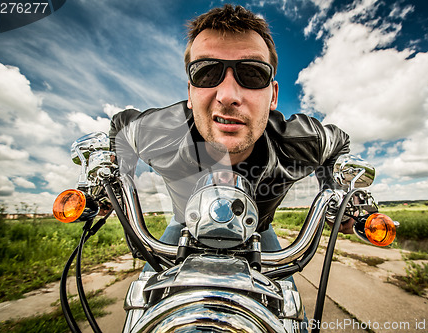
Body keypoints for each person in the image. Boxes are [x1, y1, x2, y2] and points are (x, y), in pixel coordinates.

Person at [110, 4, 353, 251]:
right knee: (150, 286)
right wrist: (118, 184)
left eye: (253, 73)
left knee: (285, 287)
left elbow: (339, 142)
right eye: (205, 72)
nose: (227, 96)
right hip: (184, 223)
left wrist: (335, 194)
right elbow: (120, 127)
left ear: (273, 96)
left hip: (257, 228)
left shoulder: (301, 142)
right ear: (190, 95)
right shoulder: (160, 133)